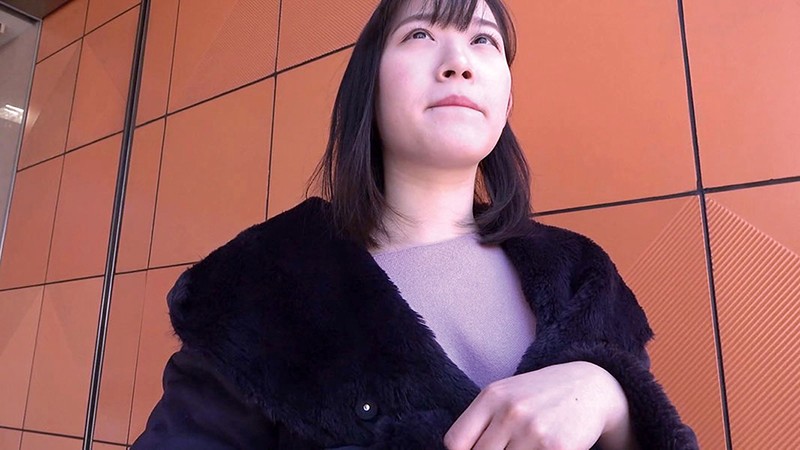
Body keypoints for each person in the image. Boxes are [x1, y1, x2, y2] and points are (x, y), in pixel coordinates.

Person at [131, 0, 698, 448]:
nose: (459, 62)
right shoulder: (262, 285)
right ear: (368, 87)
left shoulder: (582, 277)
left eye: (484, 40)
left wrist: (609, 399)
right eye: (420, 34)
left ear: (505, 98)